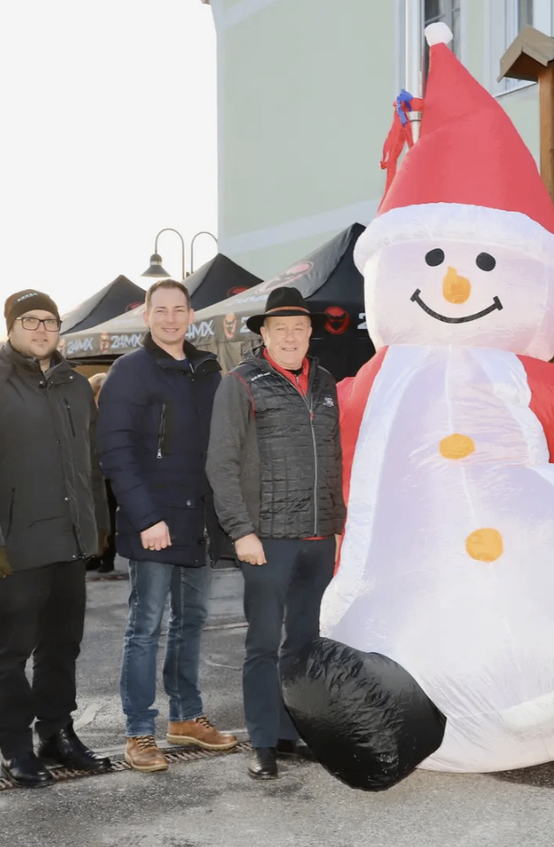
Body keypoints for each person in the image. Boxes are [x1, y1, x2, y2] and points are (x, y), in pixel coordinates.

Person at [0, 289, 111, 788]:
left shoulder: (75, 387)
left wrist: (98, 525)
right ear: (10, 326)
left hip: (69, 541)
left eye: (50, 321)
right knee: (11, 652)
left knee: (63, 647)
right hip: (15, 546)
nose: (42, 329)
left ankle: (57, 734)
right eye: (30, 320)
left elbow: (90, 465)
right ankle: (15, 746)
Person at [205, 287, 345, 780]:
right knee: (263, 642)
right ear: (263, 334)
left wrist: (338, 524)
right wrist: (241, 531)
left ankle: (291, 733)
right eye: (279, 329)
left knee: (304, 642)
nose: (290, 337)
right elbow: (220, 464)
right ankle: (262, 740)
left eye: (298, 328)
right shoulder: (240, 383)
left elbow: (333, 456)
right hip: (265, 538)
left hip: (317, 537)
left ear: (310, 333)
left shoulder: (326, 381)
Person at [98, 279, 236, 773]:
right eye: (162, 310)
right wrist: (147, 517)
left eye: (180, 309)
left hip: (197, 519)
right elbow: (115, 453)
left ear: (191, 314)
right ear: (147, 316)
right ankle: (139, 731)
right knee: (145, 627)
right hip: (153, 521)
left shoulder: (207, 371)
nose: (172, 318)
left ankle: (185, 716)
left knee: (191, 621)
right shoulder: (129, 372)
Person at [87, 371, 118, 575]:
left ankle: (108, 556)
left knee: (110, 518)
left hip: (111, 475)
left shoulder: (115, 415)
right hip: (91, 474)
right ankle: (94, 555)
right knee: (93, 516)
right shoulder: (86, 416)